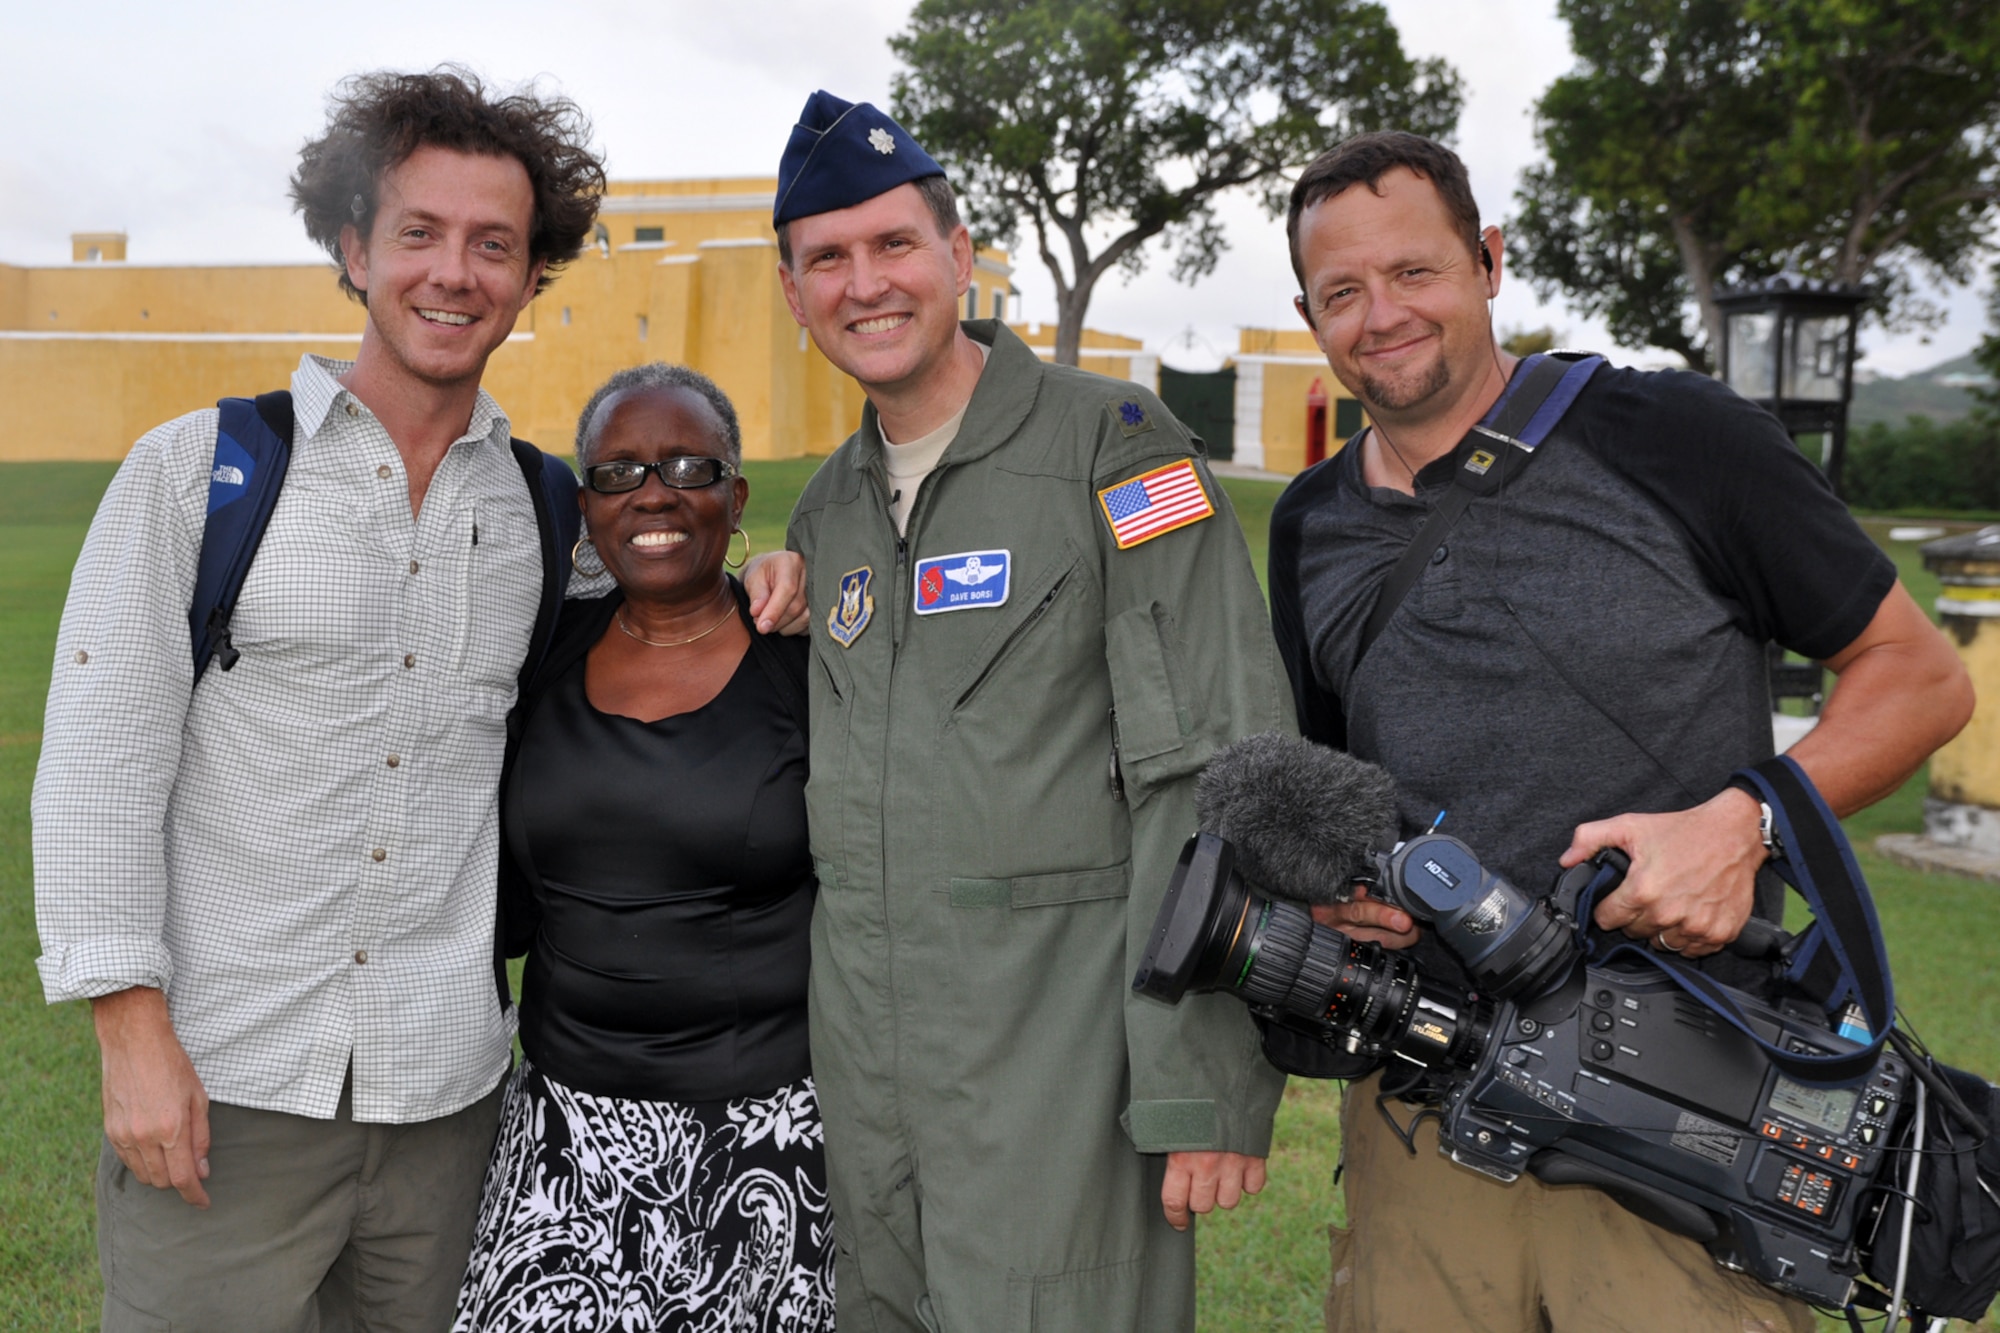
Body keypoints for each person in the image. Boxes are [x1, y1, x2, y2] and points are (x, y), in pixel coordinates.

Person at [32, 70, 802, 1332]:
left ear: (531, 275)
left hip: (450, 1103)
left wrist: (783, 571)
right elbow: (100, 766)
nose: (454, 273)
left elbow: (678, 564)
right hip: (232, 1089)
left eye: (493, 244)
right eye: (419, 234)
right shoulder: (196, 475)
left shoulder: (546, 511)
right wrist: (131, 1035)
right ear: (352, 248)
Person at [1265, 130, 1974, 1333]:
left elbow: (1917, 676)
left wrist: (1744, 825)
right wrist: (1331, 890)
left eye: (1415, 272)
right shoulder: (1307, 526)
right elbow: (1338, 787)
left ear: (1488, 261)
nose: (1380, 314)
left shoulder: (1676, 436)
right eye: (1342, 292)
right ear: (1307, 313)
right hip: (1425, 1118)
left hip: (1687, 1119)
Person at [771, 90, 1291, 1333]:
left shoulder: (1116, 449)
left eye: (894, 244)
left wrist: (1202, 1087)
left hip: (1058, 1076)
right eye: (826, 259)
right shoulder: (829, 511)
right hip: (865, 1084)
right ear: (792, 294)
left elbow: (1215, 764)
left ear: (958, 254)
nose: (865, 284)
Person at [454, 363, 833, 1332]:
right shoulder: (545, 648)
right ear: (586, 508)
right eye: (618, 473)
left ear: (733, 496)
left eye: (684, 465)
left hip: (768, 1141)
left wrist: (795, 571)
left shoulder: (808, 662)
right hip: (560, 1136)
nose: (653, 493)